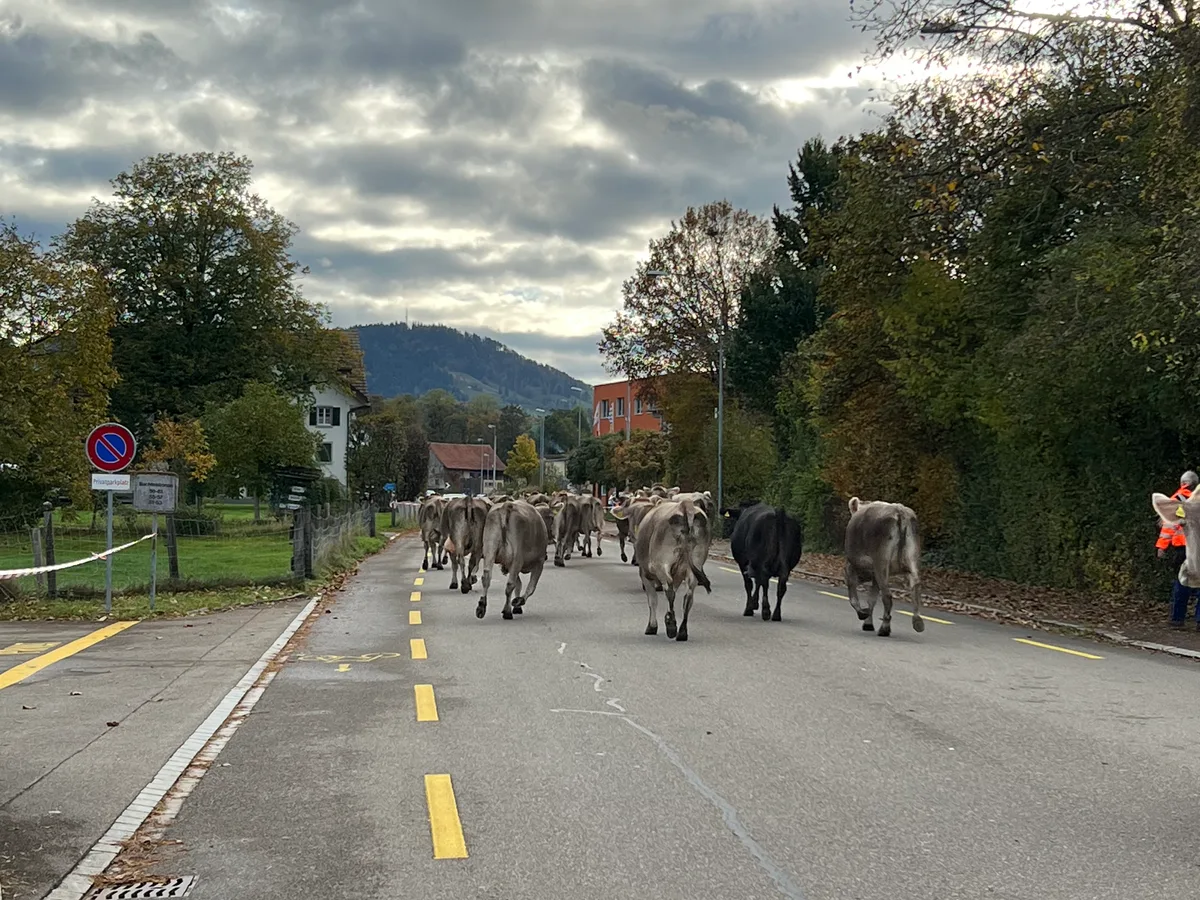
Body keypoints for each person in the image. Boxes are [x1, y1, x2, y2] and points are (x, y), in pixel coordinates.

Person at [1157, 470, 1200, 628]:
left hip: (1183, 548)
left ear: (1183, 484)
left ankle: (1177, 619)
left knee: (1182, 582)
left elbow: (1169, 526)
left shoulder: (1177, 500)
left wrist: (1162, 546)